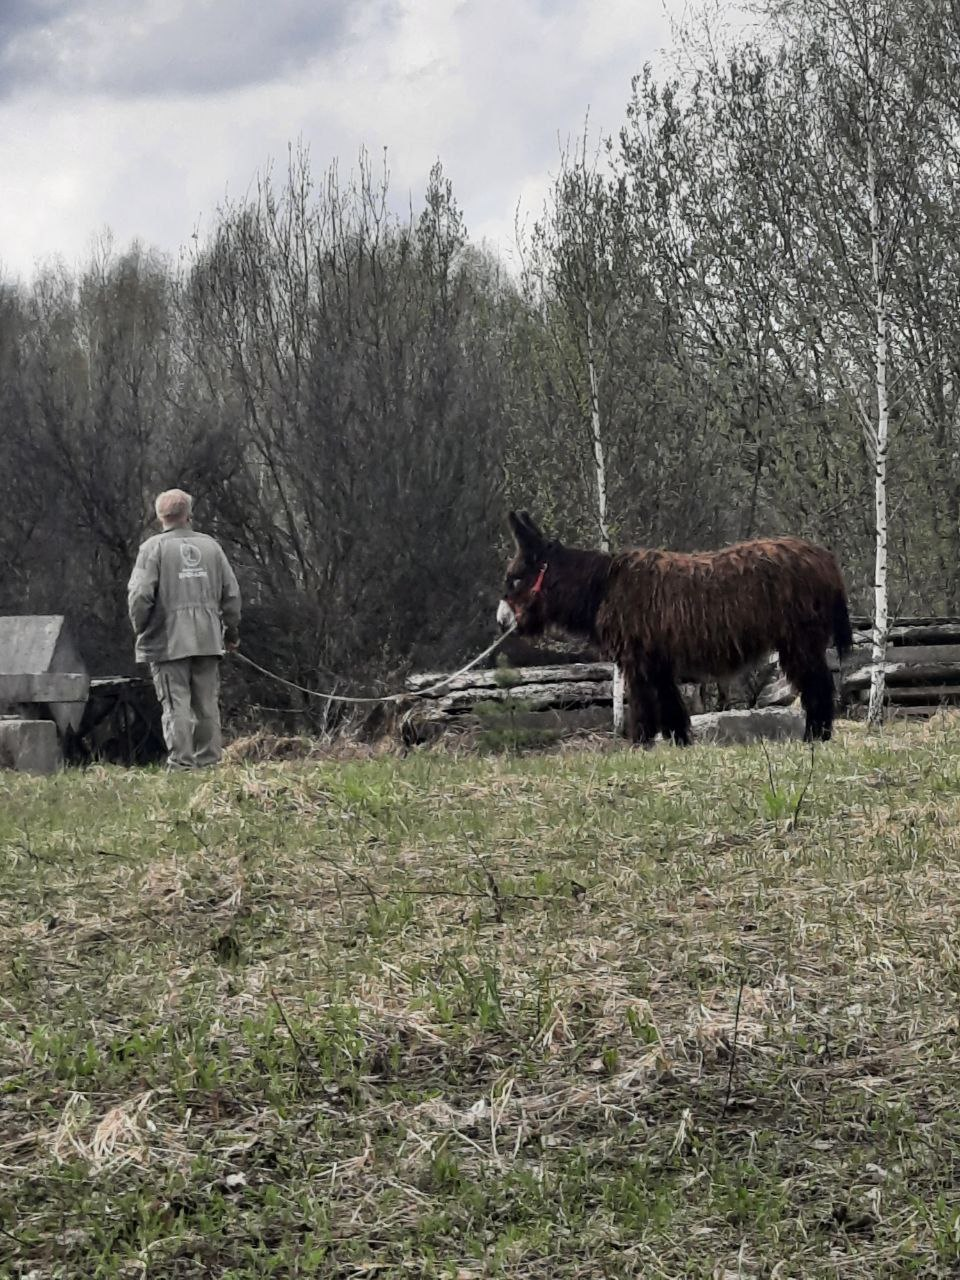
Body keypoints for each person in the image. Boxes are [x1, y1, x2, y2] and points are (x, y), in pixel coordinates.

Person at [127, 489, 241, 769]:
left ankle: (182, 764)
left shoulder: (152, 548)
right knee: (206, 705)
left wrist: (140, 627)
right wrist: (231, 632)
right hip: (207, 639)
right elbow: (232, 595)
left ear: (159, 516)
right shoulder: (211, 546)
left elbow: (140, 595)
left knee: (175, 704)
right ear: (189, 514)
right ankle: (210, 762)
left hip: (168, 641)